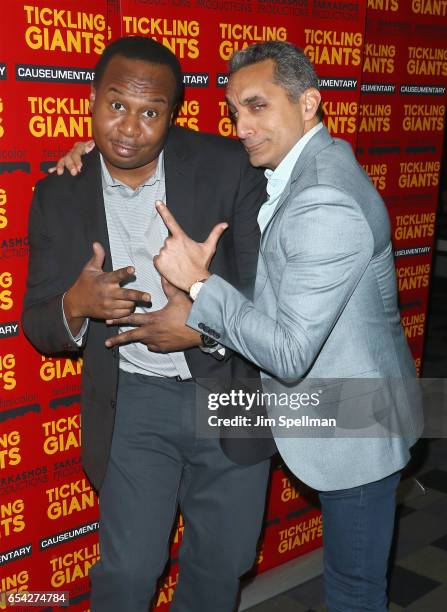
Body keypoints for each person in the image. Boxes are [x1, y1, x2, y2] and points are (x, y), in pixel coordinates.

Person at [150, 42, 423, 612]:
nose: (242, 127)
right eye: (234, 112)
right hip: (341, 402)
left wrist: (199, 285)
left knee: (354, 591)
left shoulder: (324, 198)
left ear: (308, 104)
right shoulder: (307, 166)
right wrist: (91, 154)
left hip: (356, 427)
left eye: (256, 107)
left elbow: (291, 352)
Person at [22, 36, 276, 612]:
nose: (130, 128)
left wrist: (205, 324)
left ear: (171, 115)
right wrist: (76, 304)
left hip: (228, 390)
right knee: (129, 571)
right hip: (133, 403)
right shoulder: (60, 191)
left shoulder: (227, 167)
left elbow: (272, 287)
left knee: (223, 564)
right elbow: (37, 321)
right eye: (116, 105)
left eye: (150, 112)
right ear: (91, 100)